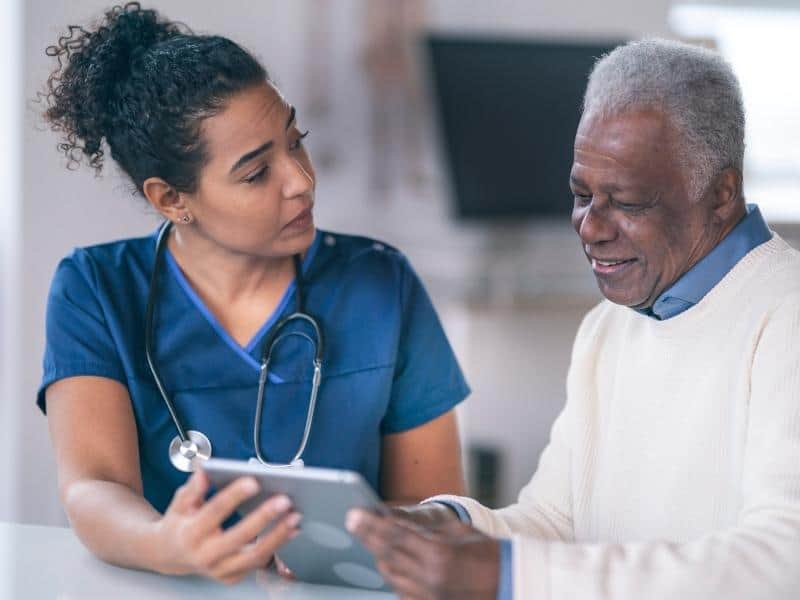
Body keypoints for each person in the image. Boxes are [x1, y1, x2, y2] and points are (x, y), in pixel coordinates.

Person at [347, 38, 800, 600]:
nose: (590, 226)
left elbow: (785, 563)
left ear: (721, 194)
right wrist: (450, 526)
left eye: (627, 201)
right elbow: (556, 523)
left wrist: (507, 576)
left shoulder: (787, 316)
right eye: (581, 194)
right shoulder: (609, 327)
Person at [38, 2, 468, 584]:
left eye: (296, 142)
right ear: (171, 200)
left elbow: (439, 507)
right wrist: (167, 544)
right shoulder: (95, 289)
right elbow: (93, 487)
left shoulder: (380, 284)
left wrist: (346, 544)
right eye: (256, 173)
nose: (301, 180)